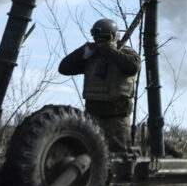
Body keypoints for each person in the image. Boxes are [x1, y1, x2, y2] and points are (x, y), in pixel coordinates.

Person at [59, 18, 140, 151]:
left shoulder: (126, 53)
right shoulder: (92, 56)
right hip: (92, 117)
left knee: (119, 158)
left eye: (104, 39)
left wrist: (111, 51)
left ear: (114, 37)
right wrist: (82, 52)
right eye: (98, 40)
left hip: (117, 119)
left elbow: (133, 67)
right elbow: (64, 68)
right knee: (90, 156)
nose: (100, 44)